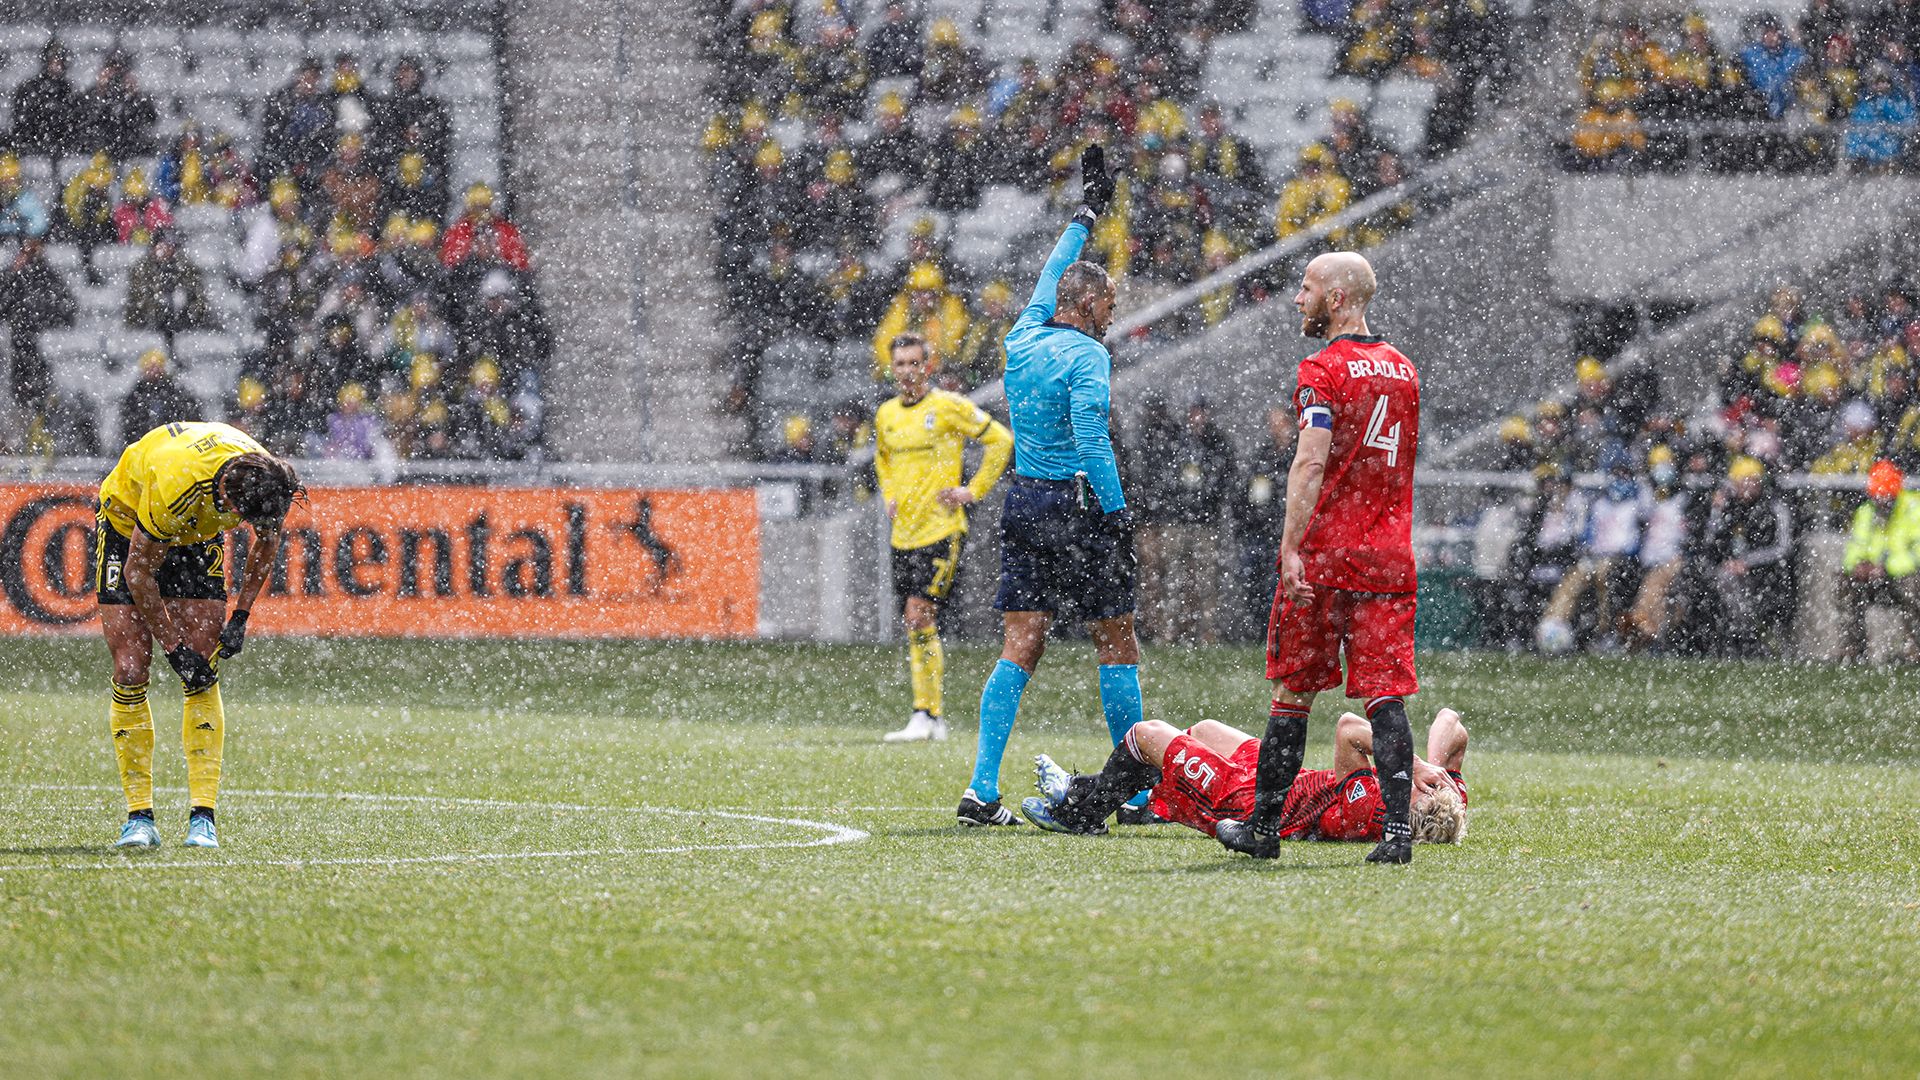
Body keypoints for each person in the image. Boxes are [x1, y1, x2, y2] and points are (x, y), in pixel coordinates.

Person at [1214, 250, 1423, 865]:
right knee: (1385, 696)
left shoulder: (1322, 369)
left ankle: (1264, 829)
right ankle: (1397, 834)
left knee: (1294, 693)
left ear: (1336, 299)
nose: (1297, 299)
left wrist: (1290, 546)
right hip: (1387, 556)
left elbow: (1310, 461)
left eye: (1306, 289)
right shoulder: (1404, 369)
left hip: (1328, 555)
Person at [958, 145, 1142, 828]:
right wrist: (1118, 513)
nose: (1112, 314)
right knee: (1116, 642)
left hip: (1025, 502)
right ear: (1088, 304)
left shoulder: (1022, 336)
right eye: (1109, 304)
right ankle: (1138, 796)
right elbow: (1093, 441)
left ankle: (981, 789)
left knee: (1020, 643)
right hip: (1079, 506)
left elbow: (1048, 274)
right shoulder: (1088, 356)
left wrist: (1086, 214)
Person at [95, 421, 304, 849]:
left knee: (203, 669)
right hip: (128, 524)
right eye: (243, 518)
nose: (248, 524)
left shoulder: (268, 480)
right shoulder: (178, 484)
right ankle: (139, 818)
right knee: (131, 669)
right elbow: (140, 573)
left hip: (196, 532)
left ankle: (202, 817)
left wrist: (241, 615)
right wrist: (173, 649)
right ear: (230, 498)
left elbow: (267, 542)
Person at [1020, 707, 1468, 845]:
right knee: (1205, 731)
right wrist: (1434, 766)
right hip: (1284, 777)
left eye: (1411, 789)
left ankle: (1080, 812)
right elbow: (1453, 725)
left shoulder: (1370, 809)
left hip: (1250, 800)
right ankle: (1106, 796)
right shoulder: (1443, 801)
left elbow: (1349, 728)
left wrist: (1411, 763)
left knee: (1147, 734)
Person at [873, 333, 1013, 743]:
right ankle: (931, 716)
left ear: (927, 366)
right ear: (892, 369)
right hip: (903, 534)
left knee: (919, 615)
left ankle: (926, 713)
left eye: (914, 363)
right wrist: (890, 494)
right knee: (915, 623)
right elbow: (883, 458)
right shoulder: (886, 414)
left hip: (941, 531)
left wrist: (972, 491)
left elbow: (1000, 440)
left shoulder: (948, 407)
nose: (907, 372)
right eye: (900, 364)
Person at [1839, 459, 1920, 661]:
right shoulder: (1866, 512)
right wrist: (1857, 566)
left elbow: (1916, 553)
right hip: (1876, 580)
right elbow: (1854, 548)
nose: (1882, 501)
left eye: (1886, 496)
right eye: (1877, 496)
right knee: (1845, 583)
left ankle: (1913, 646)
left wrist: (1887, 567)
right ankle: (1853, 649)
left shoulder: (1914, 508)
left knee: (1912, 584)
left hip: (1901, 576)